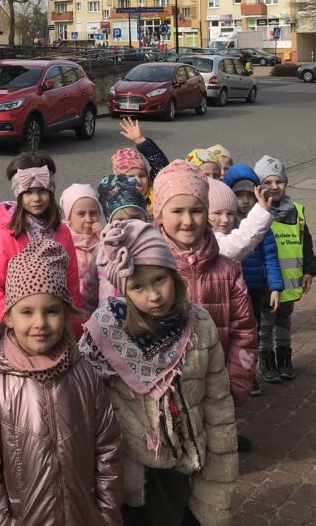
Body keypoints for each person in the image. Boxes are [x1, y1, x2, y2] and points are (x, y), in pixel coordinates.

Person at [79, 221, 238, 526]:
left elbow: (217, 403)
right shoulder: (106, 331)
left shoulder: (199, 326)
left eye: (160, 280)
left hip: (179, 463)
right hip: (125, 470)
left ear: (174, 275)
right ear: (124, 288)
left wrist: (218, 486)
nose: (153, 296)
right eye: (138, 287)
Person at [0, 239, 123, 526]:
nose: (40, 323)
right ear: (9, 317)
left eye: (51, 310)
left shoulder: (84, 374)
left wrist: (108, 514)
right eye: (27, 312)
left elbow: (108, 447)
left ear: (65, 314)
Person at [152, 161, 257, 410]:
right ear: (159, 214)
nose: (188, 221)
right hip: (164, 391)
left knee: (218, 441)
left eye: (196, 210)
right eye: (177, 211)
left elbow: (244, 331)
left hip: (218, 386)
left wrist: (234, 384)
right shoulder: (149, 270)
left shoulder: (227, 270)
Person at [0, 161, 80, 322]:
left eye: (42, 191)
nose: (36, 198)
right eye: (28, 192)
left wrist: (74, 324)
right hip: (19, 324)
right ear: (19, 194)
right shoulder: (4, 235)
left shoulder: (63, 231)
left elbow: (71, 281)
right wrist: (11, 321)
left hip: (57, 321)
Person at [254, 155, 316, 381]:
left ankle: (284, 357)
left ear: (286, 184)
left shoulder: (297, 212)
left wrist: (309, 269)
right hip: (266, 285)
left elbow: (306, 243)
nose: (274, 187)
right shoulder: (257, 214)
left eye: (279, 182)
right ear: (258, 186)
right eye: (267, 182)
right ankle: (266, 360)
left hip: (290, 283)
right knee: (264, 325)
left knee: (284, 321)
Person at [224, 166, 284, 394]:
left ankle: (248, 373)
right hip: (231, 290)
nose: (245, 202)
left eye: (250, 196)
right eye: (239, 196)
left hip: (255, 289)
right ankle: (230, 372)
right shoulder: (224, 223)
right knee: (231, 332)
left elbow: (270, 255)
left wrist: (275, 286)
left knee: (251, 333)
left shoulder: (262, 225)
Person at [80, 176, 149, 313]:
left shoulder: (152, 245)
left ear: (145, 217)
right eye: (119, 220)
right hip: (110, 320)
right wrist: (93, 314)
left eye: (135, 217)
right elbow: (89, 286)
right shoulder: (102, 249)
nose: (128, 224)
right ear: (109, 222)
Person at [206, 177, 275, 261]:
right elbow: (234, 246)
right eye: (217, 213)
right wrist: (260, 213)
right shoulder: (206, 240)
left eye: (230, 213)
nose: (225, 220)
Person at [111, 117, 170, 215]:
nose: (138, 181)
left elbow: (161, 164)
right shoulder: (117, 202)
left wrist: (140, 140)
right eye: (130, 177)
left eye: (142, 175)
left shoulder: (155, 192)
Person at [59, 183, 103, 298]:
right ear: (69, 218)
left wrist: (105, 236)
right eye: (81, 214)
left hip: (99, 299)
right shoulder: (62, 242)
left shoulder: (103, 238)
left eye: (93, 213)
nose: (88, 219)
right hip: (73, 301)